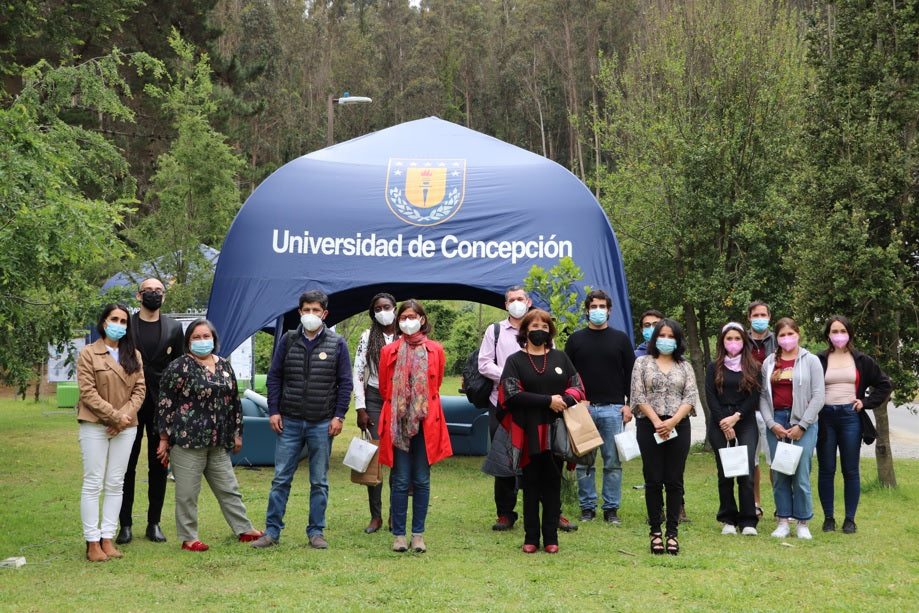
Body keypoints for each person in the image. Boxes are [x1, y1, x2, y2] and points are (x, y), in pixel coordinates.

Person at [250, 290, 353, 550]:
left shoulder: (337, 343)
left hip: (322, 422)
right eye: (306, 310)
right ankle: (272, 531)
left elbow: (345, 383)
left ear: (324, 314)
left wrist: (339, 416)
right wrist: (274, 410)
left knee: (319, 481)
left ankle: (316, 532)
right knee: (281, 478)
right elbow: (274, 377)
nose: (311, 315)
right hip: (290, 421)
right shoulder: (287, 340)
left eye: (316, 310)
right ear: (299, 312)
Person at [155, 319, 264, 551]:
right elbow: (165, 403)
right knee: (187, 493)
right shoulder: (179, 367)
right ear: (188, 341)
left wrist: (237, 433)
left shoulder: (224, 365)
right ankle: (189, 538)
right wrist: (164, 438)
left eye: (206, 337)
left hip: (218, 440)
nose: (202, 341)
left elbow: (234, 402)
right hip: (187, 440)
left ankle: (244, 529)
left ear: (214, 340)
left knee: (229, 488)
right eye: (196, 337)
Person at [500, 309, 586, 554]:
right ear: (525, 330)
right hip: (528, 432)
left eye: (545, 327)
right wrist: (548, 400)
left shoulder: (560, 358)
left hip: (557, 432)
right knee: (530, 485)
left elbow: (578, 387)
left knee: (552, 485)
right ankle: (530, 537)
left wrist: (565, 401)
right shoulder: (515, 360)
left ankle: (551, 538)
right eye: (535, 325)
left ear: (550, 332)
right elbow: (510, 393)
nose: (540, 330)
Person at [377, 300, 453, 553]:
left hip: (426, 422)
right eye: (403, 317)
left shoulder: (435, 350)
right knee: (399, 479)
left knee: (421, 478)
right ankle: (399, 535)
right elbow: (385, 389)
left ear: (422, 319)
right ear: (398, 321)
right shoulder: (389, 351)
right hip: (397, 423)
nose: (408, 321)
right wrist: (402, 408)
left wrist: (417, 406)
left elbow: (436, 384)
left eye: (413, 316)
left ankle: (418, 534)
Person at [116, 278, 185, 545]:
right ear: (138, 296)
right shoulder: (125, 325)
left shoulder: (174, 328)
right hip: (129, 406)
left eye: (158, 291)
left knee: (159, 466)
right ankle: (125, 525)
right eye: (149, 291)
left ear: (164, 297)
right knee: (126, 466)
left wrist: (177, 407)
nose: (154, 295)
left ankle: (153, 523)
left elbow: (178, 367)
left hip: (162, 407)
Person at [77, 304, 146, 562]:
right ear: (104, 322)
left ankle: (108, 537)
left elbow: (139, 390)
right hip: (95, 424)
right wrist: (115, 416)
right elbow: (87, 392)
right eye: (114, 319)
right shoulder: (88, 353)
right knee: (93, 482)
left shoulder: (134, 355)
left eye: (123, 320)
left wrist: (123, 419)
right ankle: (92, 542)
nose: (119, 324)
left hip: (126, 427)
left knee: (116, 482)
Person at [564, 289, 635, 525]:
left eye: (602, 307)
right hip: (582, 409)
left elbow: (630, 376)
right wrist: (573, 401)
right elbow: (567, 375)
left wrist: (628, 405)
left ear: (609, 310)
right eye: (593, 307)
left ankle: (611, 509)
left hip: (613, 409)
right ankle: (587, 508)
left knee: (612, 462)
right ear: (586, 310)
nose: (597, 311)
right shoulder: (575, 339)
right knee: (585, 461)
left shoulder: (621, 339)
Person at [816, 315, 892, 534]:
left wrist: (865, 402)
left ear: (849, 334)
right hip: (826, 418)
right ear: (827, 335)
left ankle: (850, 519)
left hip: (850, 417)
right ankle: (828, 518)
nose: (838, 335)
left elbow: (884, 384)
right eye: (834, 331)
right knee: (826, 469)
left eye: (842, 331)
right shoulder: (819, 359)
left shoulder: (861, 360)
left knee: (850, 470)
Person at [630, 318, 696, 555]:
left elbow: (690, 397)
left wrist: (672, 421)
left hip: (679, 425)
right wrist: (658, 422)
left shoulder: (685, 366)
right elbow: (638, 395)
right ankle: (655, 532)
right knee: (653, 478)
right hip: (650, 426)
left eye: (671, 336)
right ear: (654, 337)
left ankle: (672, 533)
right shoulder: (642, 363)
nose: (666, 340)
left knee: (674, 479)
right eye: (662, 335)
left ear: (678, 340)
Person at [759, 317, 825, 540]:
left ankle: (803, 521)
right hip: (776, 421)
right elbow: (763, 397)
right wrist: (772, 424)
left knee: (801, 474)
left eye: (790, 334)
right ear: (776, 338)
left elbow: (818, 395)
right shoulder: (769, 362)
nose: (786, 339)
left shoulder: (811, 361)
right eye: (782, 335)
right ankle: (783, 521)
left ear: (798, 334)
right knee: (780, 474)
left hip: (803, 421)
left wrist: (803, 425)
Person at [477, 285, 530, 532]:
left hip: (533, 404)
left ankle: (540, 510)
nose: (516, 303)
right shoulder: (495, 330)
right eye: (512, 300)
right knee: (503, 459)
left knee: (537, 458)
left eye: (520, 298)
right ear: (505, 304)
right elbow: (485, 364)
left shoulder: (538, 327)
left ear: (528, 302)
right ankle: (505, 513)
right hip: (501, 404)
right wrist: (511, 378)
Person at [705, 322, 761, 536]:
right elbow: (710, 396)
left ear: (744, 341)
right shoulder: (713, 367)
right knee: (725, 472)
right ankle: (728, 518)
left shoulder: (753, 367)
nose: (733, 342)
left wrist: (736, 418)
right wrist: (723, 422)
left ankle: (748, 520)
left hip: (744, 421)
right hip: (720, 423)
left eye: (737, 338)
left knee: (746, 472)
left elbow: (754, 396)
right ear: (722, 342)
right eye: (729, 338)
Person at [351, 292, 398, 534]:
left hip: (400, 401)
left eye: (386, 307)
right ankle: (376, 515)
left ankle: (395, 514)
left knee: (399, 457)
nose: (382, 312)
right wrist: (361, 407)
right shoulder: (368, 337)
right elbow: (358, 372)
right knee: (375, 456)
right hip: (374, 398)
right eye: (377, 309)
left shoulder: (406, 334)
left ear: (395, 308)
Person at [746, 300, 777, 518]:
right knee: (752, 461)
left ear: (769, 317)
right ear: (749, 318)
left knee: (776, 461)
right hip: (748, 409)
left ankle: (781, 504)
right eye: (755, 315)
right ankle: (756, 503)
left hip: (773, 410)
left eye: (763, 315)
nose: (759, 318)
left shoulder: (779, 340)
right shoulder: (741, 340)